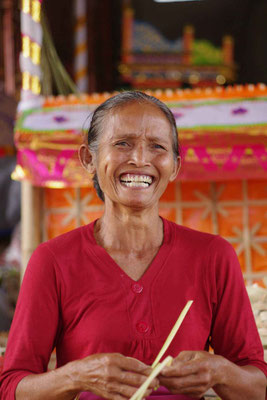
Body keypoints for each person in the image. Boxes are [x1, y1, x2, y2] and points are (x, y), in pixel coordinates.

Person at [0, 91, 266, 400]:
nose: (140, 159)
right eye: (122, 143)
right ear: (89, 158)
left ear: (175, 166)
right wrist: (78, 376)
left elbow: (257, 387)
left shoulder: (212, 256)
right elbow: (11, 388)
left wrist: (220, 372)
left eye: (157, 146)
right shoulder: (54, 260)